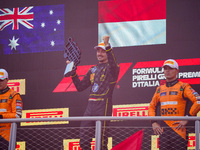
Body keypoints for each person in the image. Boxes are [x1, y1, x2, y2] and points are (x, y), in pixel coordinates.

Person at [67, 35, 119, 150]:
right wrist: (73, 74)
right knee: (84, 141)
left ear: (108, 53)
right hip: (90, 107)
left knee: (101, 143)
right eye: (98, 51)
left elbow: (113, 64)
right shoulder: (92, 69)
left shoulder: (113, 69)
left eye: (103, 52)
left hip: (103, 106)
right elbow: (80, 87)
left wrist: (107, 45)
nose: (99, 54)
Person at [148, 59, 200, 150]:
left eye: (171, 68)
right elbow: (151, 107)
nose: (167, 71)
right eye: (165, 68)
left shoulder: (184, 87)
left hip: (179, 132)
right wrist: (153, 122)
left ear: (177, 71)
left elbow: (198, 101)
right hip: (163, 132)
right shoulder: (159, 89)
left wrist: (187, 118)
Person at [0, 69, 23, 149]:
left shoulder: (14, 95)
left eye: (1, 80)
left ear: (7, 80)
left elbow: (17, 115)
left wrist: (2, 117)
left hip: (6, 136)